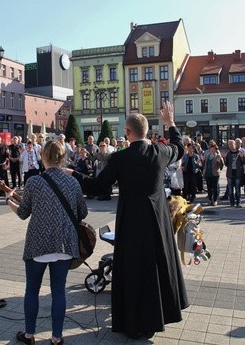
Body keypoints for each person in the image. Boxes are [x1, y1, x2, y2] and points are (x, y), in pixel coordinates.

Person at [64, 101, 188, 339]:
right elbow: (179, 147)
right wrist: (170, 122)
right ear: (147, 133)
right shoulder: (160, 152)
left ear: (128, 133)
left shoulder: (121, 158)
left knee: (133, 270)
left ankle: (132, 323)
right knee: (153, 269)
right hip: (155, 223)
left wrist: (74, 174)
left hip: (131, 222)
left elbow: (97, 185)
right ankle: (155, 319)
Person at [6, 140, 88, 345]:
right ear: (63, 158)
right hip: (64, 244)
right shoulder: (73, 183)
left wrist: (9, 201)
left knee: (32, 290)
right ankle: (56, 337)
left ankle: (29, 335)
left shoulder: (34, 182)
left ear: (43, 157)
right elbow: (83, 212)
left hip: (38, 245)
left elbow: (24, 213)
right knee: (59, 291)